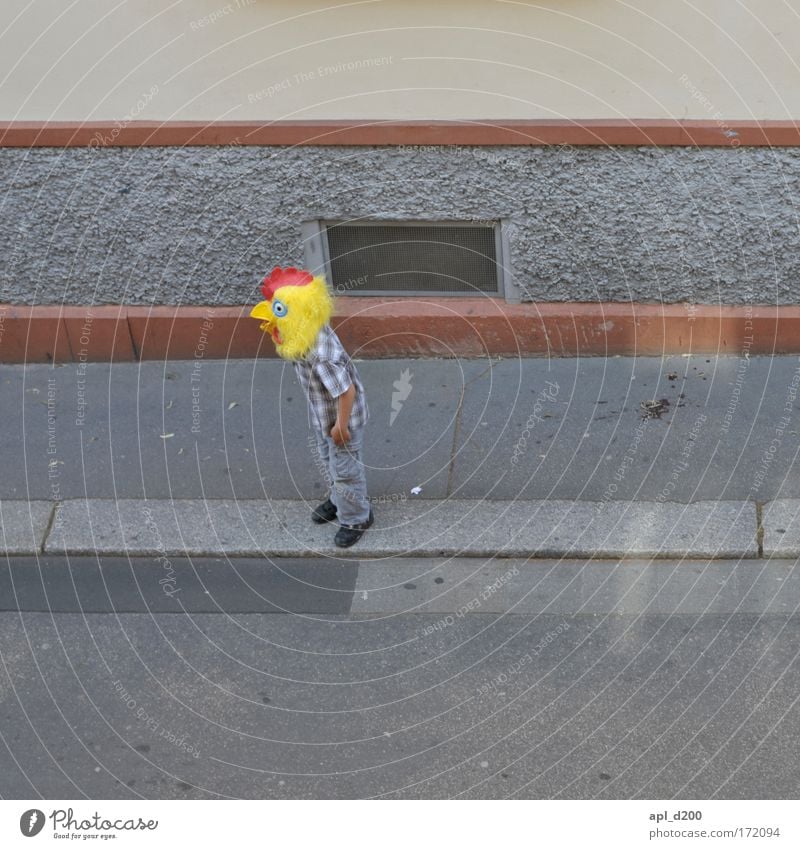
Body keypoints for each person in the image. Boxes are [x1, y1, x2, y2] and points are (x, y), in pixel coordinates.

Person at [250, 266, 373, 547]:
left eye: (278, 310)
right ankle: (338, 499)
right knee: (331, 461)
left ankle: (357, 517)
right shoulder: (302, 335)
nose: (271, 316)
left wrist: (341, 427)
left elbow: (346, 391)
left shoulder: (321, 354)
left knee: (345, 470)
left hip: (343, 421)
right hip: (325, 416)